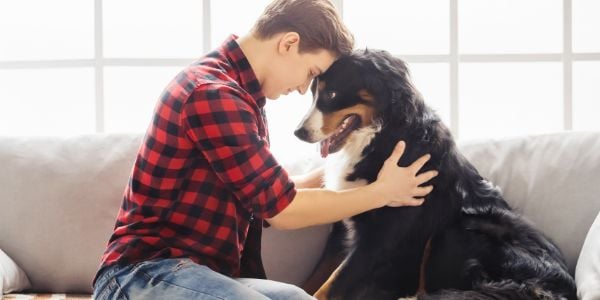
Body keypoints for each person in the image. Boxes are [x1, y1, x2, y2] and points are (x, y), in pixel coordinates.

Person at [92, 0, 438, 299]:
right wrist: (382, 193)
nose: (304, 89)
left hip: (191, 274)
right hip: (139, 276)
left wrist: (347, 173)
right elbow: (281, 210)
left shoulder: (238, 96)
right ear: (289, 43)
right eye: (311, 73)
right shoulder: (212, 94)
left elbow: (267, 194)